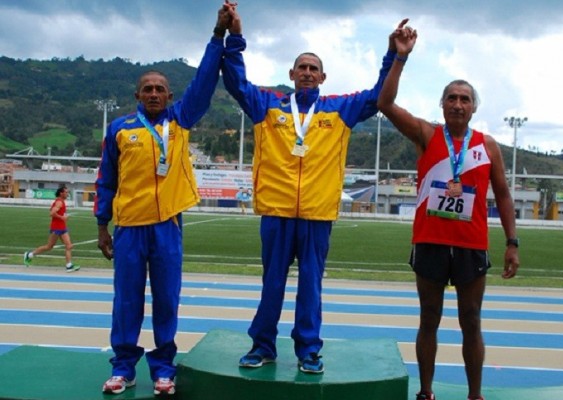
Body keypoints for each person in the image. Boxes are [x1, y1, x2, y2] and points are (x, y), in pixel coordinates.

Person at [221, 3, 408, 374]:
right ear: (291, 74)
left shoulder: (340, 109)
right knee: (271, 284)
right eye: (301, 67)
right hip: (276, 212)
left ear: (323, 77)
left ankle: (308, 349)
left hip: (317, 214)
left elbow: (377, 96)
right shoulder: (267, 105)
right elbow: (235, 83)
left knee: (311, 287)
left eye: (313, 69)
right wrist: (234, 36)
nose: (307, 73)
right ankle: (263, 346)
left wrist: (394, 56)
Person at [377, 23, 520, 400]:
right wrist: (399, 58)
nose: (458, 104)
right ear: (442, 105)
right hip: (430, 242)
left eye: (465, 99)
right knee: (429, 320)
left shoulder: (487, 146)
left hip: (472, 246)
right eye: (452, 98)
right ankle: (426, 393)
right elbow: (385, 104)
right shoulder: (427, 134)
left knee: (471, 321)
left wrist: (512, 242)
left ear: (474, 107)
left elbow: (503, 195)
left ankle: (475, 395)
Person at [94, 6, 230, 397]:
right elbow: (107, 180)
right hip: (129, 229)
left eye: (160, 89)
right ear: (137, 95)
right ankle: (123, 368)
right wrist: (102, 226)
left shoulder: (181, 121)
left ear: (170, 96)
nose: (154, 93)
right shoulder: (120, 129)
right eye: (147, 89)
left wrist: (217, 35)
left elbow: (204, 82)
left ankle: (163, 368)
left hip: (168, 225)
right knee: (127, 302)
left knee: (167, 300)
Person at [23, 185, 80, 273]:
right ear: (61, 193)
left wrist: (63, 218)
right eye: (66, 192)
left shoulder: (62, 201)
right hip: (56, 227)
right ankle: (29, 255)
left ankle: (69, 266)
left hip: (62, 227)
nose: (67, 194)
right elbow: (52, 213)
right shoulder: (59, 202)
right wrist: (62, 218)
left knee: (69, 246)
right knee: (49, 246)